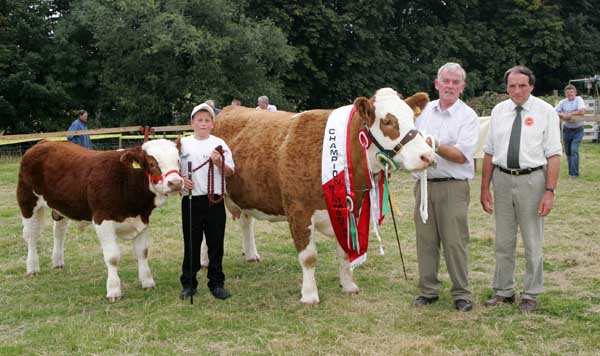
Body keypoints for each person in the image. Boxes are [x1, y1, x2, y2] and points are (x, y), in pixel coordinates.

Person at [480, 65, 561, 313]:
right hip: (502, 180)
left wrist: (549, 190)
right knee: (503, 241)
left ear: (532, 86)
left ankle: (531, 293)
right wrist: (485, 188)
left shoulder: (546, 111)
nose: (517, 91)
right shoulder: (498, 111)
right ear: (506, 87)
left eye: (522, 85)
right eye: (512, 86)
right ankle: (503, 291)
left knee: (532, 241)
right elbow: (489, 151)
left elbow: (554, 155)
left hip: (532, 181)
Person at [412, 62, 480, 312]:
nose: (450, 86)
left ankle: (462, 294)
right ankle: (428, 291)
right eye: (446, 81)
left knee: (454, 242)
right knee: (425, 241)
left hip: (453, 186)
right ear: (437, 84)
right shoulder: (423, 112)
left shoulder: (468, 117)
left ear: (462, 87)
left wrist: (434, 144)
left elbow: (462, 156)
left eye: (455, 82)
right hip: (424, 185)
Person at [179, 103, 235, 300]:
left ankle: (217, 283)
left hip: (214, 200)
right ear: (192, 122)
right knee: (191, 243)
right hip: (191, 200)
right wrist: (181, 180)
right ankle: (188, 283)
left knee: (216, 243)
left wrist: (219, 162)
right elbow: (172, 170)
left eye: (207, 120)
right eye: (199, 120)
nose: (203, 124)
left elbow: (230, 171)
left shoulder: (219, 144)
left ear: (212, 124)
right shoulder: (182, 143)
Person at [555, 84, 586, 178]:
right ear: (565, 94)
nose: (570, 94)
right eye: (568, 93)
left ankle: (574, 174)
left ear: (575, 93)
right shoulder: (563, 102)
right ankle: (571, 172)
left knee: (574, 150)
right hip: (567, 130)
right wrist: (562, 114)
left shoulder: (578, 99)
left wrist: (569, 114)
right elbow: (554, 111)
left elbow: (582, 111)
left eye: (571, 92)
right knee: (568, 152)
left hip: (578, 130)